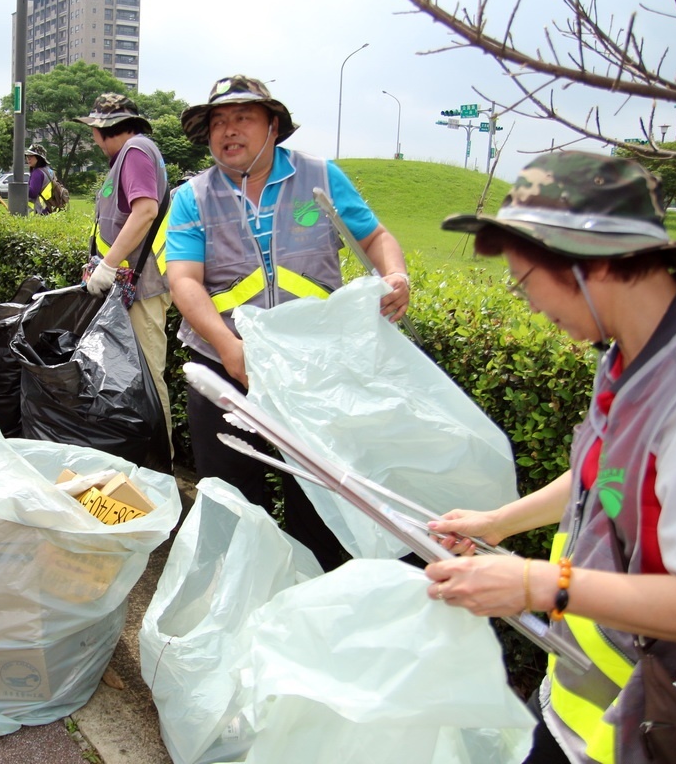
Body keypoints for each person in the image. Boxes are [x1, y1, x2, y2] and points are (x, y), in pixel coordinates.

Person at [424, 151, 676, 764]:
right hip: (590, 700)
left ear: (590, 261)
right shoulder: (631, 349)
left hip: (660, 721)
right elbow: (607, 475)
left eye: (525, 281)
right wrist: (498, 524)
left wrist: (535, 583)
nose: (528, 304)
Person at [167, 75, 410, 570]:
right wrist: (230, 349)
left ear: (273, 126)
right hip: (221, 366)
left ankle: (307, 602)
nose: (228, 131)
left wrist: (396, 274)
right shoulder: (193, 195)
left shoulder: (319, 177)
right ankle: (233, 607)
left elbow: (375, 236)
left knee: (316, 497)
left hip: (315, 367)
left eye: (242, 118)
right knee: (231, 500)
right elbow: (185, 281)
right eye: (218, 122)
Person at [74, 93, 173, 442]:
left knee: (146, 375)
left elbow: (144, 210)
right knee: (134, 376)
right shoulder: (135, 154)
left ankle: (160, 462)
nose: (92, 138)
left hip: (140, 286)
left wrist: (108, 266)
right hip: (132, 286)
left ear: (104, 129)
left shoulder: (134, 152)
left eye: (93, 130)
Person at [25, 144, 54, 215]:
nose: (28, 158)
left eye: (31, 156)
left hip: (39, 211)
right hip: (49, 209)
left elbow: (32, 193)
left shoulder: (37, 173)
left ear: (39, 158)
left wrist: (21, 187)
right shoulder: (50, 171)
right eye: (27, 156)